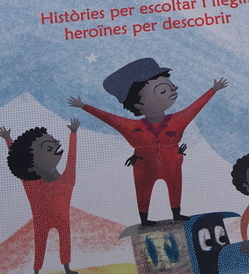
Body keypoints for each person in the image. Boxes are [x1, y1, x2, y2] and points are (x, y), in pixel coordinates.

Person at [69, 57, 226, 225]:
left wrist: (213, 90)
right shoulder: (132, 127)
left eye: (172, 88)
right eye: (162, 91)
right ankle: (144, 218)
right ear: (138, 104)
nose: (172, 92)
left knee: (175, 185)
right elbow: (109, 118)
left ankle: (176, 213)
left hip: (172, 162)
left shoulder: (178, 120)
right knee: (143, 189)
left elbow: (195, 107)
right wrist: (83, 106)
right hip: (144, 165)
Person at [0, 119, 80, 274]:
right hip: (43, 220)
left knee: (62, 239)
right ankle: (39, 271)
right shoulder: (33, 183)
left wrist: (73, 134)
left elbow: (71, 158)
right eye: (48, 148)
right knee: (41, 242)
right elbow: (20, 159)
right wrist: (9, 141)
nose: (56, 146)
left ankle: (65, 268)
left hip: (58, 219)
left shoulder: (65, 180)